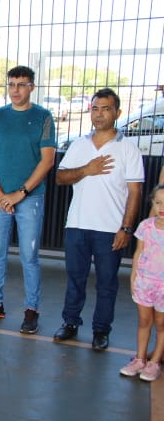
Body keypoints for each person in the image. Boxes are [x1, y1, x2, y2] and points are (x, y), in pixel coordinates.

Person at [53, 88, 144, 350]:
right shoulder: (80, 144)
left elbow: (135, 192)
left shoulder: (128, 149)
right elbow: (61, 177)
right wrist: (87, 169)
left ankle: (101, 330)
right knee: (75, 279)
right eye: (95, 108)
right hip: (78, 225)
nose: (99, 113)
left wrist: (126, 228)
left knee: (106, 283)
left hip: (110, 229)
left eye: (105, 108)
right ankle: (70, 323)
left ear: (117, 112)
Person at [0, 65, 56, 334]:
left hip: (29, 199)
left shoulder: (43, 117)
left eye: (21, 84)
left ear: (32, 86)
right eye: (11, 84)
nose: (15, 89)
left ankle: (31, 309)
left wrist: (20, 193)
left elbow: (47, 160)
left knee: (29, 256)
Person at [120, 184, 164, 381]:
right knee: (144, 322)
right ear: (152, 203)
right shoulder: (145, 226)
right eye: (158, 202)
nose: (162, 207)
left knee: (162, 324)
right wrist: (134, 277)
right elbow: (139, 252)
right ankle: (140, 359)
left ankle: (154, 362)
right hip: (145, 283)